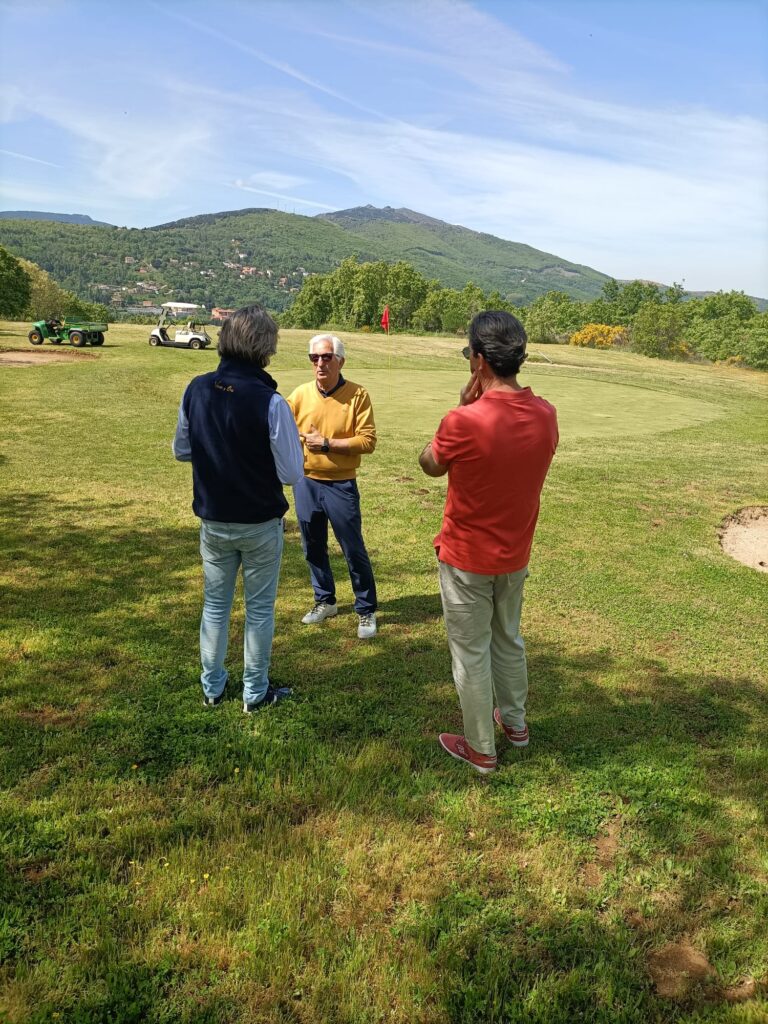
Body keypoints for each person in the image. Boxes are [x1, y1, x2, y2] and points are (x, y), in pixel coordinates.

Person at [418, 311, 558, 774]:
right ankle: (515, 725)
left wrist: (460, 407)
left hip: (466, 558)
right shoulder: (546, 415)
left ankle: (481, 749)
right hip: (515, 554)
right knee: (508, 639)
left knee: (471, 653)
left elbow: (430, 464)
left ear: (478, 361)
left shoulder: (463, 421)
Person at [172, 304, 305, 712]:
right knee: (259, 610)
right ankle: (254, 692)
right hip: (259, 521)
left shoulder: (196, 389)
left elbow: (181, 450)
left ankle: (212, 688)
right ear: (266, 348)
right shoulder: (271, 402)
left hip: (214, 518)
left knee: (215, 605)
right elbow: (291, 472)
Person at [286, 333, 378, 639]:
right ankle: (325, 600)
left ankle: (365, 609)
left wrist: (326, 444)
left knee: (353, 548)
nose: (320, 364)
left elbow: (367, 441)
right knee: (312, 546)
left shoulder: (357, 395)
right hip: (306, 482)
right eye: (314, 358)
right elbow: (280, 427)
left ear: (340, 361)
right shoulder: (299, 394)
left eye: (326, 357)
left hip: (341, 484)